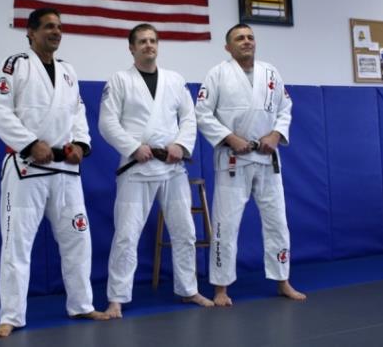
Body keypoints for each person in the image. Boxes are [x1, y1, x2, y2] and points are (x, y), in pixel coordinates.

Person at [0, 8, 109, 337]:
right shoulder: (15, 65)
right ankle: (11, 316)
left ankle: (82, 304)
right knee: (17, 244)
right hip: (27, 168)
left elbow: (78, 112)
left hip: (65, 169)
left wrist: (81, 145)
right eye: (49, 27)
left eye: (59, 27)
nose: (56, 32)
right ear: (31, 32)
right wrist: (29, 143)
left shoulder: (68, 70)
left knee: (78, 239)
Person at [99, 23, 214, 318]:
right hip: (137, 168)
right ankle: (116, 298)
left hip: (172, 168)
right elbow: (107, 123)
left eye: (152, 40)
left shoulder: (175, 80)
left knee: (185, 231)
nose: (149, 45)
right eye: (142, 41)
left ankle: (188, 289)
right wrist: (132, 147)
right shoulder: (119, 80)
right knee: (126, 235)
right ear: (131, 48)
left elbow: (189, 118)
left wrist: (181, 145)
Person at [195, 23, 306, 306]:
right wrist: (230, 138)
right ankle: (221, 288)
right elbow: (202, 114)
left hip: (267, 158)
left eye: (250, 37)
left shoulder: (271, 73)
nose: (246, 41)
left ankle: (282, 280)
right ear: (228, 47)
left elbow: (285, 109)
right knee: (225, 224)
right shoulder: (217, 74)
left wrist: (276, 134)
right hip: (233, 159)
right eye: (239, 38)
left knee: (277, 222)